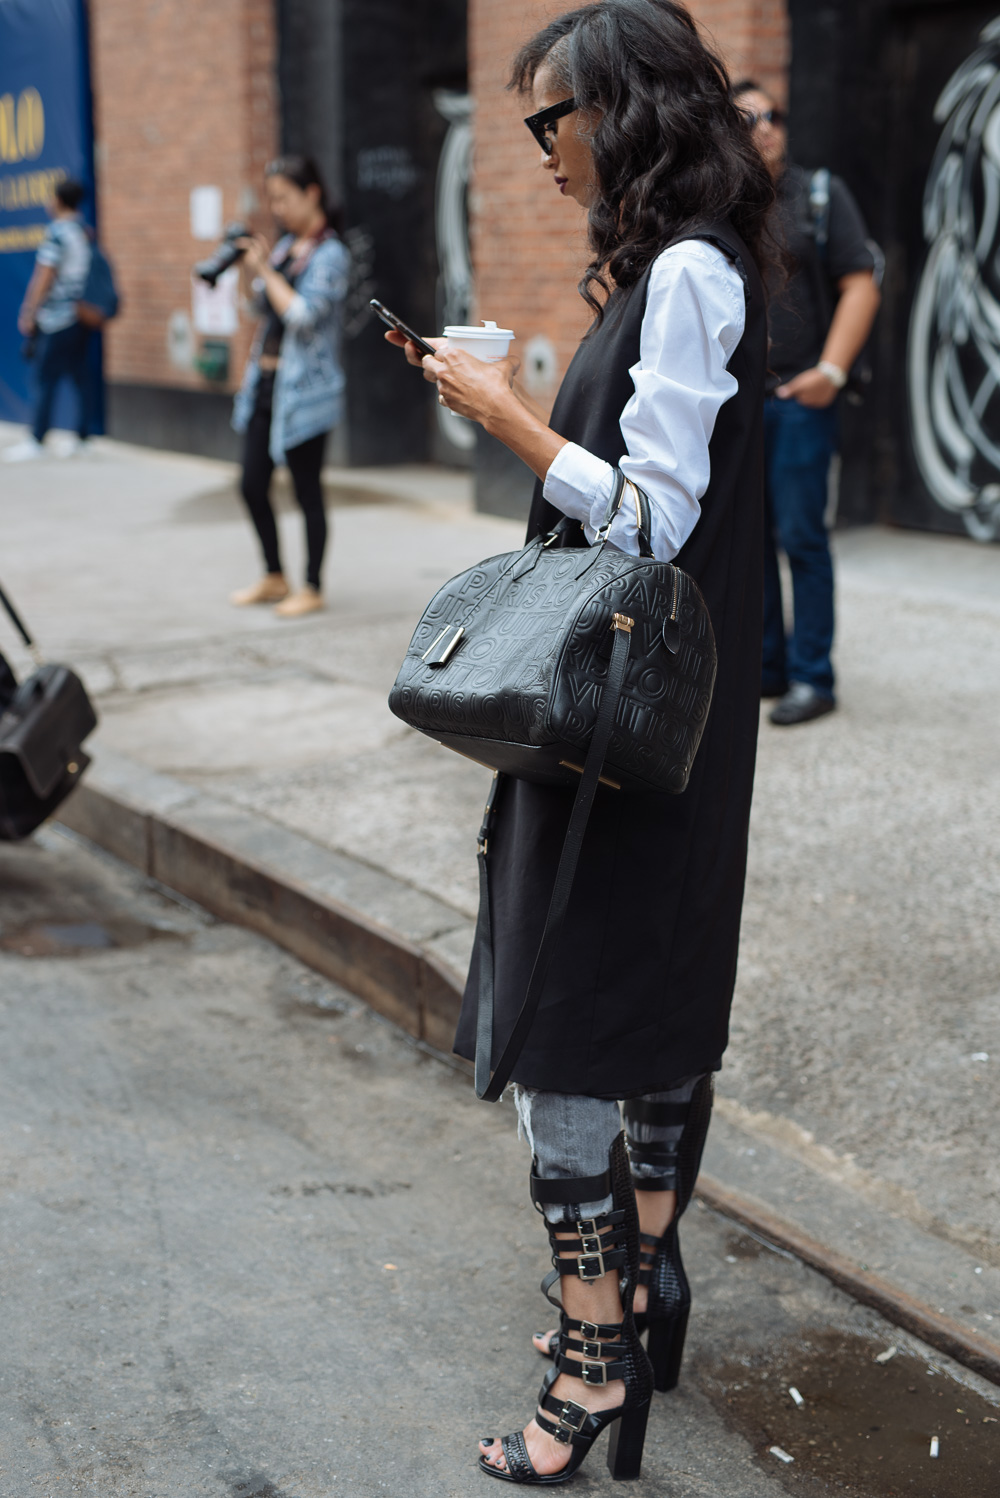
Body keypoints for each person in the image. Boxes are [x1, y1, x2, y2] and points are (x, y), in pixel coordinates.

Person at [388, 2, 771, 1483]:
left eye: (552, 121)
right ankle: (646, 1275)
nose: (541, 149)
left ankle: (595, 1359)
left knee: (555, 1020)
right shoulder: (705, 263)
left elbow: (657, 520)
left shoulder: (686, 269)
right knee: (656, 993)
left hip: (620, 712)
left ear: (619, 111)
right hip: (673, 710)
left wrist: (508, 416)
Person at [733, 81, 881, 726]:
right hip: (737, 404)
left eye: (773, 115)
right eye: (746, 119)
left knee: (802, 536)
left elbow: (860, 282)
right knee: (750, 539)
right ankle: (766, 666)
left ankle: (812, 677)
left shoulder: (819, 194)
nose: (764, 127)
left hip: (799, 400)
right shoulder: (724, 206)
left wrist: (831, 369)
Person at [229, 156, 349, 618]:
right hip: (266, 383)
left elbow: (302, 316)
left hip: (306, 391)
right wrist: (249, 269)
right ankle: (274, 575)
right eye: (272, 198)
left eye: (284, 197)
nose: (276, 207)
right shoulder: (285, 249)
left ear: (312, 193)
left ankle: (312, 585)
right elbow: (258, 310)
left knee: (306, 490)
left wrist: (267, 272)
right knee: (251, 483)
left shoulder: (330, 253)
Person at [4, 179, 94, 463]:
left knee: (44, 378)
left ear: (58, 200)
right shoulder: (84, 231)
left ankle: (37, 439)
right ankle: (81, 437)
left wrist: (29, 311)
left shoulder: (57, 232)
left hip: (57, 318)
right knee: (80, 377)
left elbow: (44, 274)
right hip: (81, 314)